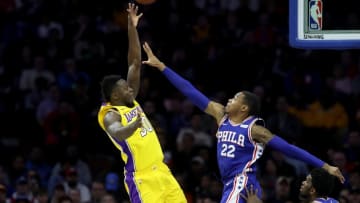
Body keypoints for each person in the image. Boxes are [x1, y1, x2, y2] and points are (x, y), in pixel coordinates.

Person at [141, 42, 345, 203]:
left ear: (244, 108)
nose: (229, 99)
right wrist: (162, 67)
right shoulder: (221, 115)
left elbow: (289, 148)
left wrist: (325, 166)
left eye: (235, 98)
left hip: (243, 182)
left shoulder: (254, 130)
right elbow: (190, 91)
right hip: (230, 184)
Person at [97, 3, 187, 203]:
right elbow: (116, 131)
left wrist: (132, 26)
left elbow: (134, 63)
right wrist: (133, 126)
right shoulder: (110, 114)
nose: (131, 88)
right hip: (141, 179)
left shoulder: (130, 100)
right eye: (124, 88)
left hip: (163, 172)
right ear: (115, 96)